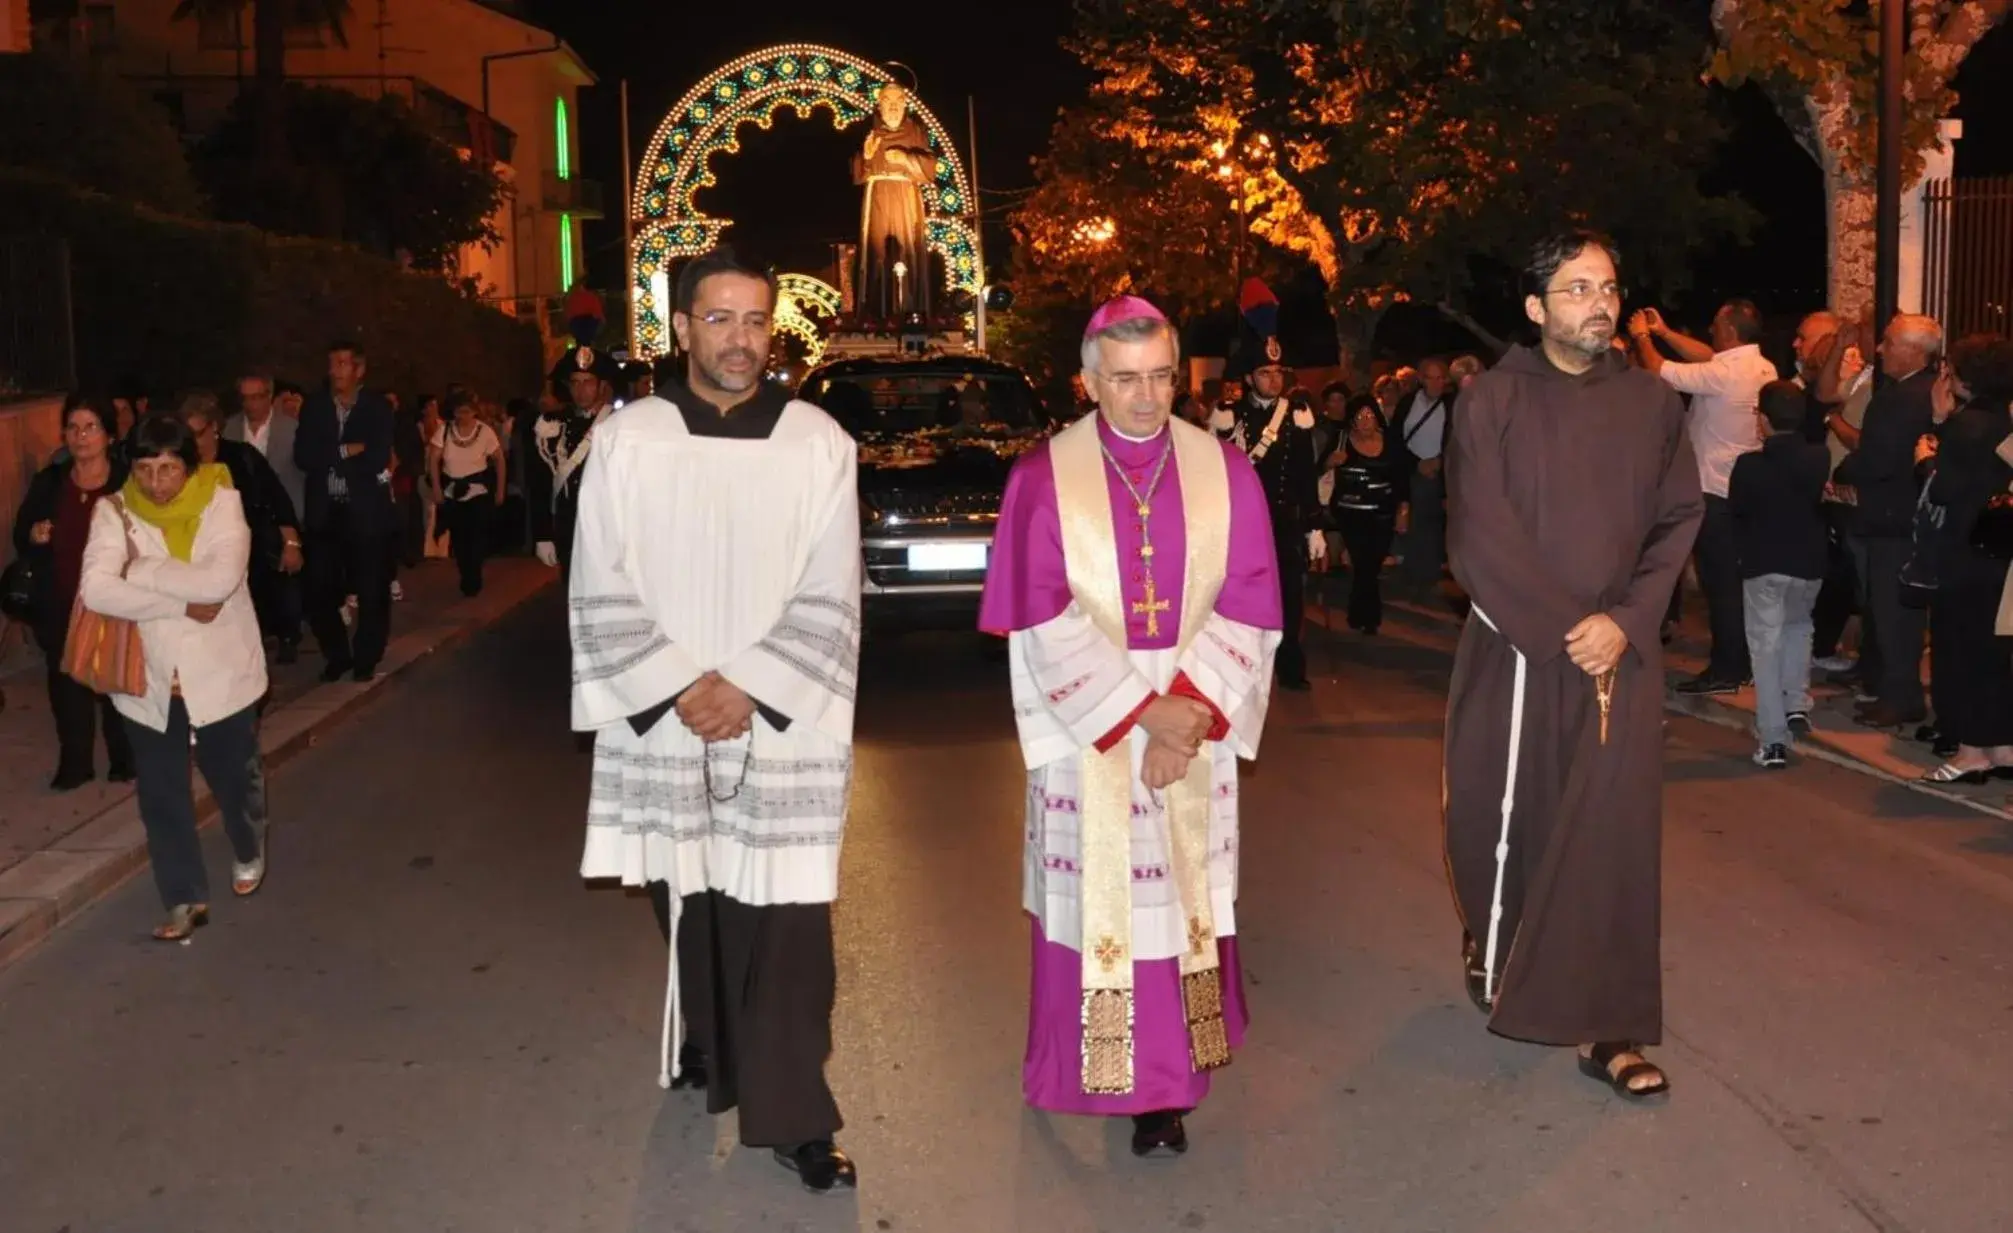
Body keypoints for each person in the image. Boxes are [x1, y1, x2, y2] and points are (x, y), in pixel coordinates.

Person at [571, 247, 863, 1194]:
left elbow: (833, 588)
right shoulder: (630, 440)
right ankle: (708, 1037)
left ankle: (792, 1114)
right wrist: (675, 685)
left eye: (753, 320)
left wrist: (748, 685)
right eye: (719, 318)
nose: (740, 340)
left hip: (780, 721)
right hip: (665, 719)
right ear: (683, 327)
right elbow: (598, 580)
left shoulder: (818, 441)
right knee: (691, 898)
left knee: (786, 918)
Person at [979, 294, 1281, 1158]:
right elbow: (1039, 621)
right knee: (1100, 902)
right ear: (1087, 381)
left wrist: (1186, 714)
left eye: (1158, 377)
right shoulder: (1041, 477)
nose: (1145, 398)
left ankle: (1165, 1091)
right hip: (1093, 722)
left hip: (1195, 712)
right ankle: (1084, 1066)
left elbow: (1252, 600)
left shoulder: (1224, 470)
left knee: (1178, 896)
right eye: (1123, 381)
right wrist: (1142, 712)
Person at [1443, 230, 1702, 1100]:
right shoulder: (1489, 400)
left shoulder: (1652, 405)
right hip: (1518, 646)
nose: (1599, 303)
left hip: (1617, 656)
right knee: (1494, 814)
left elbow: (1676, 520)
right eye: (1576, 287)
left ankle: (1611, 1026)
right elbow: (1479, 530)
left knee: (1611, 838)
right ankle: (1500, 947)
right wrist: (1564, 628)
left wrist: (1624, 623)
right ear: (1533, 307)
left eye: (1608, 286)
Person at [77, 413, 270, 941]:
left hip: (221, 674)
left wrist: (142, 573)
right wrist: (178, 601)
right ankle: (184, 898)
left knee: (235, 780)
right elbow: (95, 590)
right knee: (161, 794)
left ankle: (249, 844)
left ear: (189, 465)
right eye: (144, 469)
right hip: (150, 682)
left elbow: (220, 581)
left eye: (168, 469)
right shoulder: (113, 512)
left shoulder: (221, 500)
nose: (157, 484)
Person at [1630, 299, 1779, 695]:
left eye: (1716, 324)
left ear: (1729, 331)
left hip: (1714, 490)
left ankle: (1728, 669)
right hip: (1743, 489)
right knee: (1734, 583)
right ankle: (1741, 663)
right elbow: (1709, 358)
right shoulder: (1762, 366)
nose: (1711, 330)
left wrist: (1643, 337)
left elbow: (1658, 370)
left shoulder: (1725, 374)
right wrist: (1663, 332)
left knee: (1721, 586)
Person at [12, 397, 135, 790]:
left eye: (90, 427)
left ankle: (124, 757)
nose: (81, 437)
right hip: (62, 599)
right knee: (66, 685)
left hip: (115, 601)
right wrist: (34, 534)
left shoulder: (127, 481)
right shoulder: (51, 482)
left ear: (109, 435)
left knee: (115, 680)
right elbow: (23, 532)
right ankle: (75, 761)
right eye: (74, 428)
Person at [1211, 277, 1322, 690]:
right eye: (1265, 373)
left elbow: (1305, 472)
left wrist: (1314, 525)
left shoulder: (1297, 414)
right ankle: (1244, 665)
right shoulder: (1230, 414)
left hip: (1285, 522)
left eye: (1278, 373)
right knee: (1242, 597)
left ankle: (1291, 665)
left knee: (1292, 597)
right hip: (1243, 524)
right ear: (1250, 375)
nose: (1273, 380)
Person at [1837, 315, 1942, 729]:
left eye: (1888, 342)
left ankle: (1900, 698)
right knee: (1899, 615)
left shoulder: (1901, 397)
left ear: (1913, 350)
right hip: (1909, 516)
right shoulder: (1926, 390)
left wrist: (1843, 473)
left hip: (1891, 519)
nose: (1879, 350)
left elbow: (1879, 457)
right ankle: (1897, 693)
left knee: (1893, 613)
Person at [1919, 337, 2013, 782]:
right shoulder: (2005, 419)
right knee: (1997, 652)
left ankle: (1972, 751)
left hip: (1966, 552)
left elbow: (1943, 490)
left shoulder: (1964, 426)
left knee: (1963, 649)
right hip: (2002, 552)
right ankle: (2004, 747)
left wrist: (1930, 448)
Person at [1728, 381, 1830, 769]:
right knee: (1799, 628)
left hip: (1764, 563)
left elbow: (1738, 512)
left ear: (1764, 420)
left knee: (1765, 648)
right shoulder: (1818, 457)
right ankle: (1796, 704)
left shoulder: (1749, 465)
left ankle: (1772, 738)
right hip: (1809, 562)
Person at [295, 338, 397, 683]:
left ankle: (367, 656)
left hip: (365, 512)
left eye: (342, 364)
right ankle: (337, 655)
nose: (335, 371)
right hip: (325, 512)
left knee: (371, 589)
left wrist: (337, 456)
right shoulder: (315, 407)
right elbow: (304, 457)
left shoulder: (377, 407)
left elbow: (377, 457)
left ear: (359, 369)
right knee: (320, 590)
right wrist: (345, 451)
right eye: (332, 364)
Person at [182, 391, 304, 667]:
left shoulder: (241, 457)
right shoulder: (182, 466)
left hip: (253, 553)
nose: (193, 442)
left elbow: (277, 498)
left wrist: (291, 542)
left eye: (198, 433)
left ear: (214, 428)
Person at [226, 371, 308, 661]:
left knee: (286, 577)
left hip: (286, 512)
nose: (251, 404)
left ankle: (289, 635)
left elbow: (303, 473)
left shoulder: (292, 429)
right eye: (246, 398)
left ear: (270, 398)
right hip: (248, 517)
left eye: (258, 397)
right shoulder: (230, 429)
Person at [530, 346, 622, 578]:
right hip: (569, 530)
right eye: (575, 382)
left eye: (588, 382)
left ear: (602, 385)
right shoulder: (554, 427)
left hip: (611, 532)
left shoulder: (620, 424)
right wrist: (543, 534)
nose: (581, 390)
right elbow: (540, 484)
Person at [1329, 397, 1408, 635]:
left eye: (1370, 415)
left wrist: (1403, 511)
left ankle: (1360, 611)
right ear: (1352, 420)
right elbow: (1319, 469)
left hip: (1382, 514)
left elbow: (1401, 479)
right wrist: (1330, 462)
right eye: (1360, 416)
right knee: (1363, 563)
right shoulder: (1341, 441)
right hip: (1351, 514)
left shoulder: (1391, 442)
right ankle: (1368, 617)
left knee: (1371, 565)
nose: (1365, 421)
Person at [428, 388, 506, 597]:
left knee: (477, 537)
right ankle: (466, 574)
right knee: (460, 539)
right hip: (453, 493)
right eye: (460, 412)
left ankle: (474, 576)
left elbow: (499, 460)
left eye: (467, 412)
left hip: (477, 492)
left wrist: (500, 490)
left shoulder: (485, 432)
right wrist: (436, 487)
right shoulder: (444, 431)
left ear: (474, 412)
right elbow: (434, 459)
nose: (463, 416)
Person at [1389, 356, 1453, 588]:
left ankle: (1430, 573)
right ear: (1421, 379)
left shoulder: (1452, 403)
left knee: (1435, 525)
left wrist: (1440, 461)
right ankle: (1414, 574)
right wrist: (1416, 463)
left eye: (1440, 378)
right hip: (1412, 473)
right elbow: (1395, 440)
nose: (1436, 383)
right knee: (1413, 524)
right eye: (1430, 378)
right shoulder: (1408, 403)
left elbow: (1458, 438)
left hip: (1441, 474)